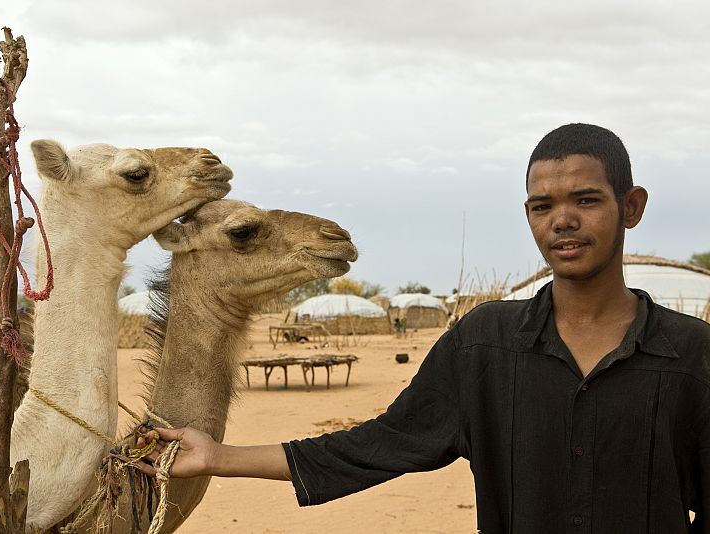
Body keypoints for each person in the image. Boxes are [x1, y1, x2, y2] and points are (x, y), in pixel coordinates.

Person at [137, 123, 710, 532]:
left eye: (587, 199)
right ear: (528, 214)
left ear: (631, 207)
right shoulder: (484, 344)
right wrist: (218, 457)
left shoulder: (693, 354)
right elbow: (378, 445)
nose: (563, 219)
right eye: (542, 206)